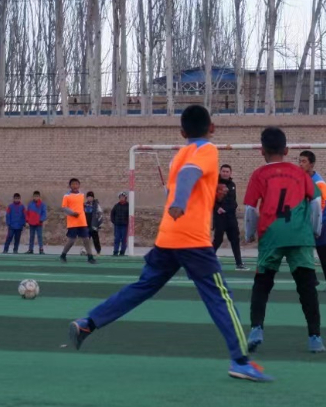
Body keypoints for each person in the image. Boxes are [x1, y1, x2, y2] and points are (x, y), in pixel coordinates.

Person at [68, 105, 271, 382]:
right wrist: (180, 202)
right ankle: (240, 361)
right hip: (193, 240)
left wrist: (203, 197)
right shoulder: (208, 150)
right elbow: (188, 176)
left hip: (168, 237)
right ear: (212, 128)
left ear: (182, 132)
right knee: (220, 296)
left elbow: (185, 181)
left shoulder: (179, 155)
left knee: (142, 287)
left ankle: (88, 323)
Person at [243, 127, 326, 354]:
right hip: (299, 235)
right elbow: (316, 202)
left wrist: (249, 234)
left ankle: (256, 329)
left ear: (262, 150)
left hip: (271, 234)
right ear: (287, 150)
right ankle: (315, 338)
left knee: (262, 283)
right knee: (306, 286)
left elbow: (250, 208)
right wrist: (315, 229)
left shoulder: (259, 174)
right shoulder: (300, 173)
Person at [299, 151, 326, 292]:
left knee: (324, 255)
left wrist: (320, 222)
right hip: (304, 225)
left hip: (319, 225)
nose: (300, 164)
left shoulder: (319, 182)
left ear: (312, 164)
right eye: (299, 161)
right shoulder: (300, 180)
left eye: (304, 161)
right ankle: (312, 280)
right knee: (304, 254)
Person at [212, 165, 247, 270]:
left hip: (231, 217)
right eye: (223, 171)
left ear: (230, 173)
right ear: (220, 172)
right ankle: (207, 260)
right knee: (218, 240)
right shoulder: (214, 184)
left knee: (235, 239)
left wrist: (232, 207)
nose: (225, 173)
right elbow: (210, 199)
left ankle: (239, 263)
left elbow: (233, 200)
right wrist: (217, 208)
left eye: (227, 171)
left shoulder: (232, 185)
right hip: (219, 217)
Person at [59, 179, 96, 264]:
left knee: (86, 239)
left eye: (76, 184)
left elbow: (82, 206)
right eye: (73, 184)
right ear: (70, 186)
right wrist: (72, 213)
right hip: (72, 222)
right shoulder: (66, 196)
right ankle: (63, 255)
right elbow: (64, 207)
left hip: (82, 221)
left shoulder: (82, 195)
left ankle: (90, 257)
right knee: (71, 240)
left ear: (79, 185)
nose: (75, 186)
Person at [110, 192, 129, 256]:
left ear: (125, 198)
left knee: (124, 239)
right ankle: (115, 251)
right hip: (117, 225)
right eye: (120, 197)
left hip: (125, 226)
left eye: (123, 197)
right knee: (117, 238)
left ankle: (122, 252)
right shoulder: (116, 206)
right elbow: (112, 213)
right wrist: (114, 221)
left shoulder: (128, 206)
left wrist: (127, 222)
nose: (121, 198)